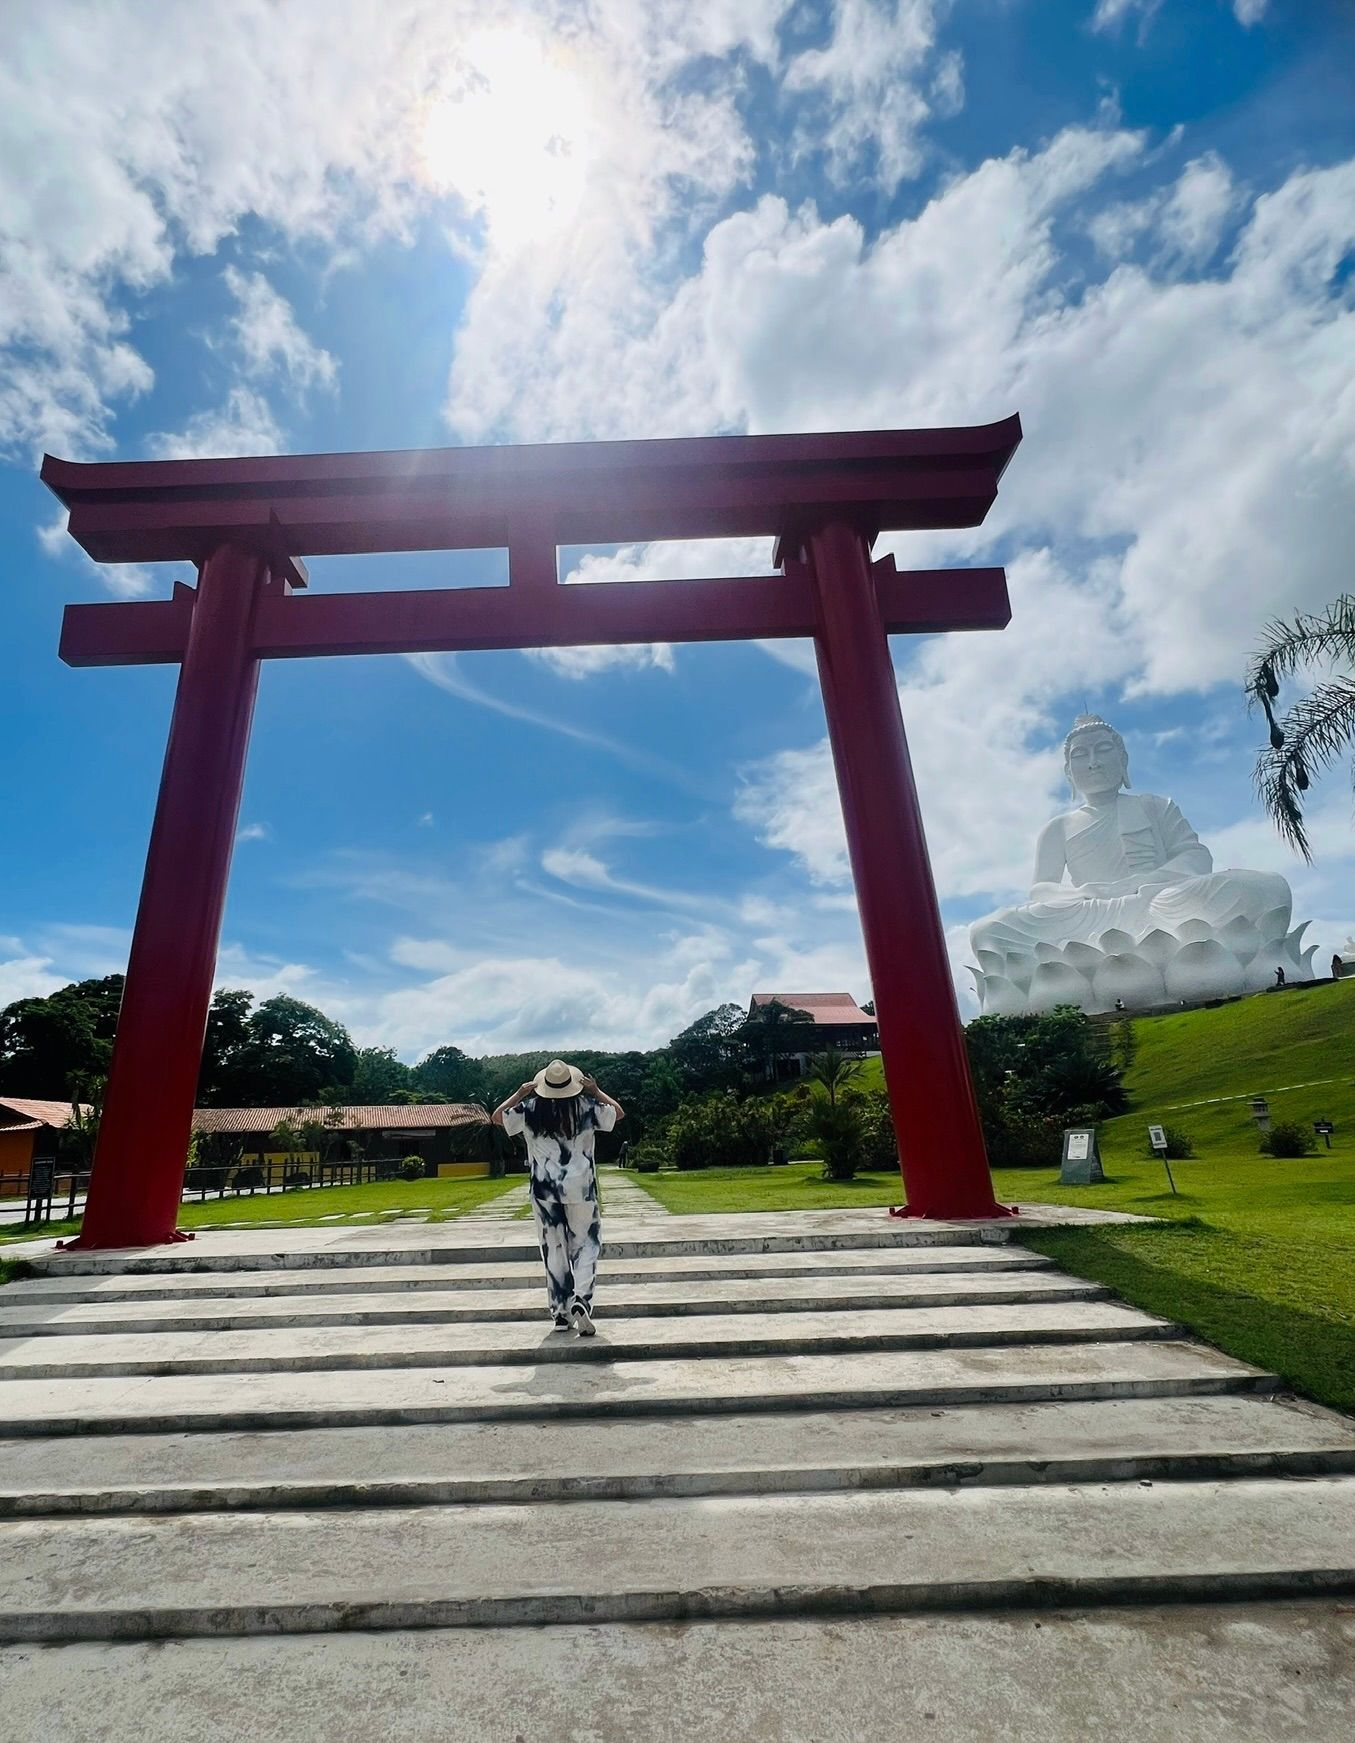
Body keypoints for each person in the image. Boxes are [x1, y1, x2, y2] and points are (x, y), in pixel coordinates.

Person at [493, 1060, 625, 1336]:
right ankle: (581, 1300)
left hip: (544, 1190)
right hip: (581, 1188)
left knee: (553, 1249)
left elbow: (496, 1117)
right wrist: (596, 1091)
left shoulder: (529, 1110)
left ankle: (561, 1314)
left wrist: (519, 1094)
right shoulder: (587, 1108)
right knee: (587, 1245)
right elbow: (618, 1113)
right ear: (573, 1085)